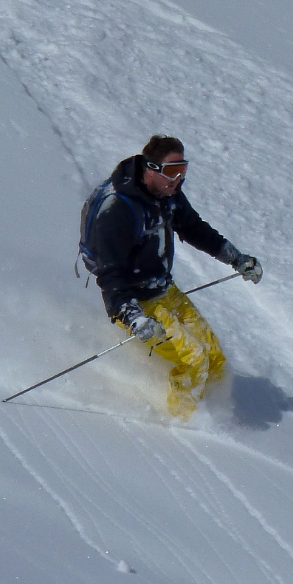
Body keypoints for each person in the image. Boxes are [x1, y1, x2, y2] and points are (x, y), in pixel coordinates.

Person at [86, 135, 262, 418]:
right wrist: (132, 316)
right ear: (150, 168)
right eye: (171, 171)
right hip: (134, 302)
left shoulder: (167, 195)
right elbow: (109, 273)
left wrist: (235, 258)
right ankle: (185, 423)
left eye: (183, 170)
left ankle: (213, 412)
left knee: (214, 357)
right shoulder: (117, 209)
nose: (178, 179)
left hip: (163, 289)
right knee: (194, 358)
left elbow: (193, 227)